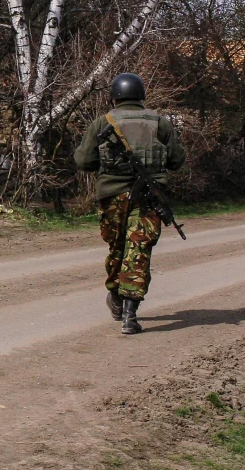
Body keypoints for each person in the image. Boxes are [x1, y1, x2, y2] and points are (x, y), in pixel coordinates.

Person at [74, 73, 185, 335]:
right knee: (139, 248)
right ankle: (129, 314)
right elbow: (177, 160)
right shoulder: (160, 123)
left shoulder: (104, 122)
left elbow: (84, 161)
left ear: (115, 96)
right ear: (141, 96)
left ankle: (117, 296)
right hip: (149, 196)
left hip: (112, 196)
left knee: (118, 246)